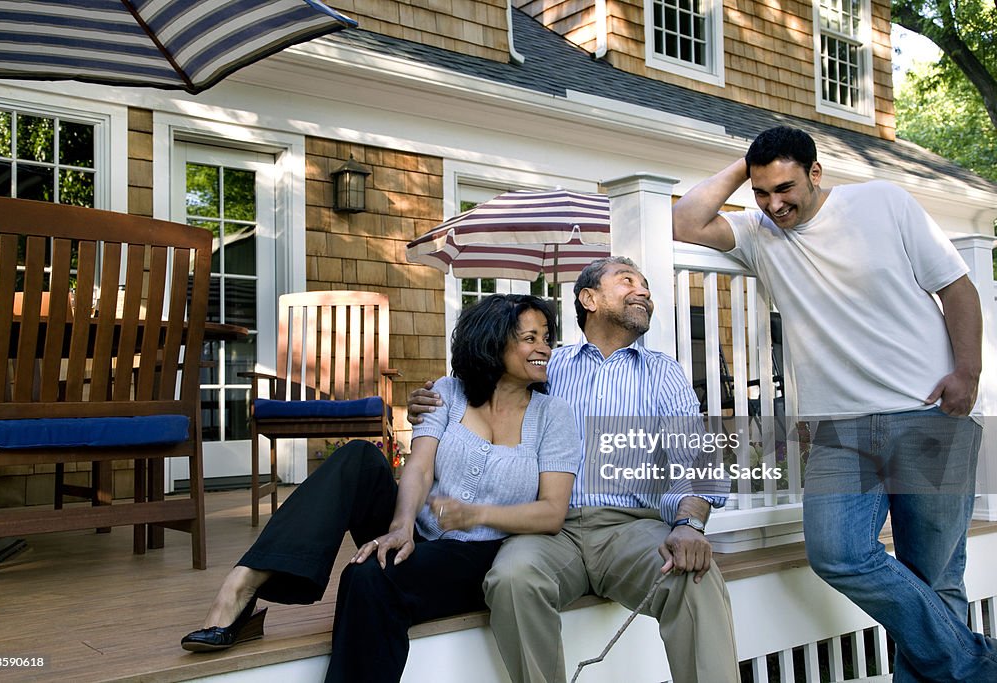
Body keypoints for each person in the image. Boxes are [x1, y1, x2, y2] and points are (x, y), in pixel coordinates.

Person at [672, 125, 997, 681]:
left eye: (786, 188)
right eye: (762, 191)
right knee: (838, 554)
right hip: (838, 433)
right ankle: (977, 663)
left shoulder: (883, 202)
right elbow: (685, 220)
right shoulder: (758, 231)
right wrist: (744, 164)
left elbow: (957, 288)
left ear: (815, 174)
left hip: (928, 416)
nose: (775, 204)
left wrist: (968, 371)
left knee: (935, 573)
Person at [181, 294, 580, 683]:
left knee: (367, 576)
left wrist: (475, 514)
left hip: (484, 555)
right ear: (492, 344)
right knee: (358, 457)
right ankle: (244, 582)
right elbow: (420, 468)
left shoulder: (553, 415)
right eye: (530, 338)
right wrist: (402, 526)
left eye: (546, 338)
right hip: (420, 534)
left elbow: (551, 512)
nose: (543, 348)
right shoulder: (448, 393)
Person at [410, 257, 741, 683]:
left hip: (631, 529)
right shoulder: (549, 364)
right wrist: (427, 404)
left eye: (646, 285)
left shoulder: (664, 372)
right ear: (589, 298)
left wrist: (690, 524)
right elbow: (479, 391)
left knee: (693, 576)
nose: (644, 291)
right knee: (512, 578)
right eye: (627, 282)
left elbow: (696, 456)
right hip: (551, 530)